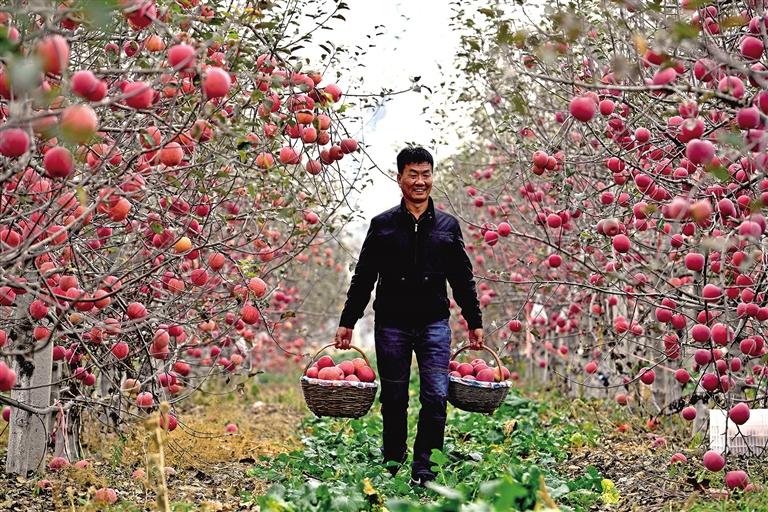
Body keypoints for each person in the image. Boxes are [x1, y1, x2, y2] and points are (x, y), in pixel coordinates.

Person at [334, 146, 484, 486]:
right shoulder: (383, 225)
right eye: (413, 175)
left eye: (426, 174)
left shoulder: (447, 226)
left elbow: (462, 278)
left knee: (435, 395)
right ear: (399, 177)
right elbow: (364, 278)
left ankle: (425, 467)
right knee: (395, 397)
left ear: (432, 176)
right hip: (392, 324)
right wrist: (348, 321)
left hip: (433, 323)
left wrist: (474, 321)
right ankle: (393, 460)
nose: (420, 181)